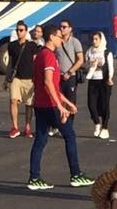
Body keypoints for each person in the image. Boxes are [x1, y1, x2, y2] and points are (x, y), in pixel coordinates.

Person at [27, 22, 93, 192]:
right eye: (59, 36)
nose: (62, 40)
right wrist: (60, 106)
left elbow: (53, 86)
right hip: (49, 105)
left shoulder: (41, 55)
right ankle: (76, 174)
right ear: (51, 37)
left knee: (41, 139)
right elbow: (48, 82)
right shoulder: (48, 55)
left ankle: (34, 177)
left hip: (40, 104)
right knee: (69, 135)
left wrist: (67, 103)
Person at [4, 20, 37, 139]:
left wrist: (37, 78)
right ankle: (15, 127)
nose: (19, 32)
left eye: (21, 30)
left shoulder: (32, 45)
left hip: (29, 79)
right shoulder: (11, 45)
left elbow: (35, 62)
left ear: (26, 31)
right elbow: (10, 64)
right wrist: (6, 79)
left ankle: (27, 127)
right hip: (16, 78)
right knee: (13, 101)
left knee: (29, 104)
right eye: (17, 30)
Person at [85, 31, 114, 140]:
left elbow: (110, 67)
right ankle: (97, 123)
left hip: (104, 81)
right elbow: (85, 65)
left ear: (101, 40)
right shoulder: (89, 51)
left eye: (96, 39)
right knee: (91, 104)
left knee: (104, 104)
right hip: (92, 80)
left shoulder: (106, 52)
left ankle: (105, 128)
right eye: (93, 39)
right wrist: (90, 64)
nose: (94, 41)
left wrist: (110, 78)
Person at [56, 18, 84, 118]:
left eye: (64, 27)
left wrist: (69, 72)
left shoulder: (75, 42)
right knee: (58, 101)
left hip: (70, 77)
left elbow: (80, 60)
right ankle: (59, 123)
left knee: (70, 102)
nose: (62, 29)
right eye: (60, 27)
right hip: (58, 77)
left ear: (70, 29)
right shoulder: (57, 42)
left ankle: (69, 124)